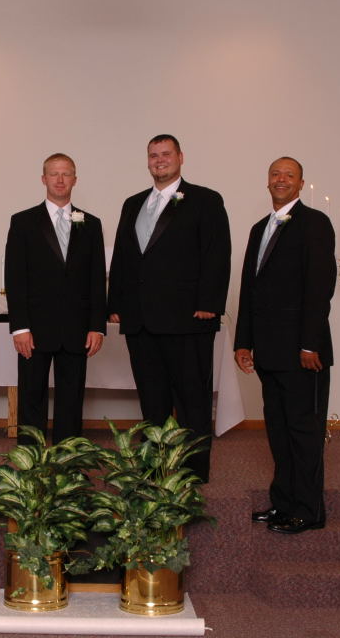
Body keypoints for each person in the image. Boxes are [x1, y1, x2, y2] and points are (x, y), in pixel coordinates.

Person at [107, 134, 231, 481]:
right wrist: (115, 302)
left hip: (188, 318)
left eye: (166, 154)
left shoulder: (205, 200)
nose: (159, 160)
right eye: (153, 155)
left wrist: (209, 303)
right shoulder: (133, 203)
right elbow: (123, 256)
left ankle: (193, 472)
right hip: (141, 320)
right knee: (152, 399)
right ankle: (155, 467)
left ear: (180, 157)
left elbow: (217, 253)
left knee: (192, 400)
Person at [233, 156, 336, 534]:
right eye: (275, 174)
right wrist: (243, 341)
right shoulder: (259, 228)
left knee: (304, 432)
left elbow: (320, 287)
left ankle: (308, 511)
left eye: (289, 175)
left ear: (301, 183)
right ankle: (283, 502)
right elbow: (249, 288)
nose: (281, 179)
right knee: (278, 431)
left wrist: (310, 344)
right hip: (268, 351)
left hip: (302, 352)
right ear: (267, 181)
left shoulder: (315, 223)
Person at [4, 153, 107, 443]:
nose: (60, 179)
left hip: (77, 328)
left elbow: (97, 279)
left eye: (66, 174)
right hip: (34, 328)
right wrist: (20, 327)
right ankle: (32, 460)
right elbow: (15, 277)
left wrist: (96, 326)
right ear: (43, 179)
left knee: (72, 398)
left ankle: (67, 460)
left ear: (75, 179)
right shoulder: (23, 222)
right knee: (31, 396)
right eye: (54, 174)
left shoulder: (91, 224)